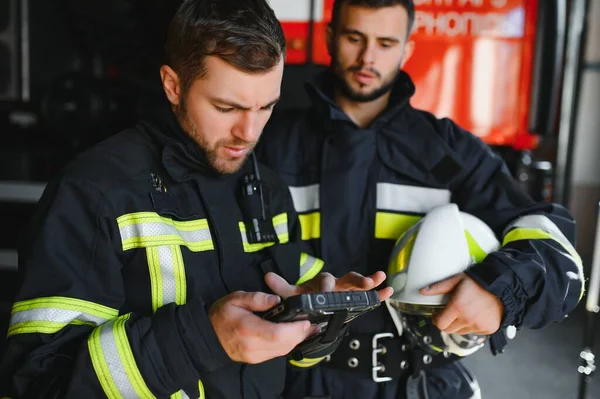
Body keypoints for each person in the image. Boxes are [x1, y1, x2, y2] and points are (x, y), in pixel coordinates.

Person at [0, 1, 393, 398]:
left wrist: (315, 317)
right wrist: (204, 340)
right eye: (227, 107)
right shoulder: (96, 192)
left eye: (266, 107)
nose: (249, 132)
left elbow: (286, 362)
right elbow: (35, 386)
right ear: (173, 85)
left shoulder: (267, 188)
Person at [256, 0, 585, 398]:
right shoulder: (269, 147)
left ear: (407, 49)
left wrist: (501, 290)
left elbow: (552, 240)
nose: (367, 57)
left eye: (385, 42)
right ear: (329, 37)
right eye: (354, 37)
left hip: (419, 384)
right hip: (294, 382)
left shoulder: (447, 153)